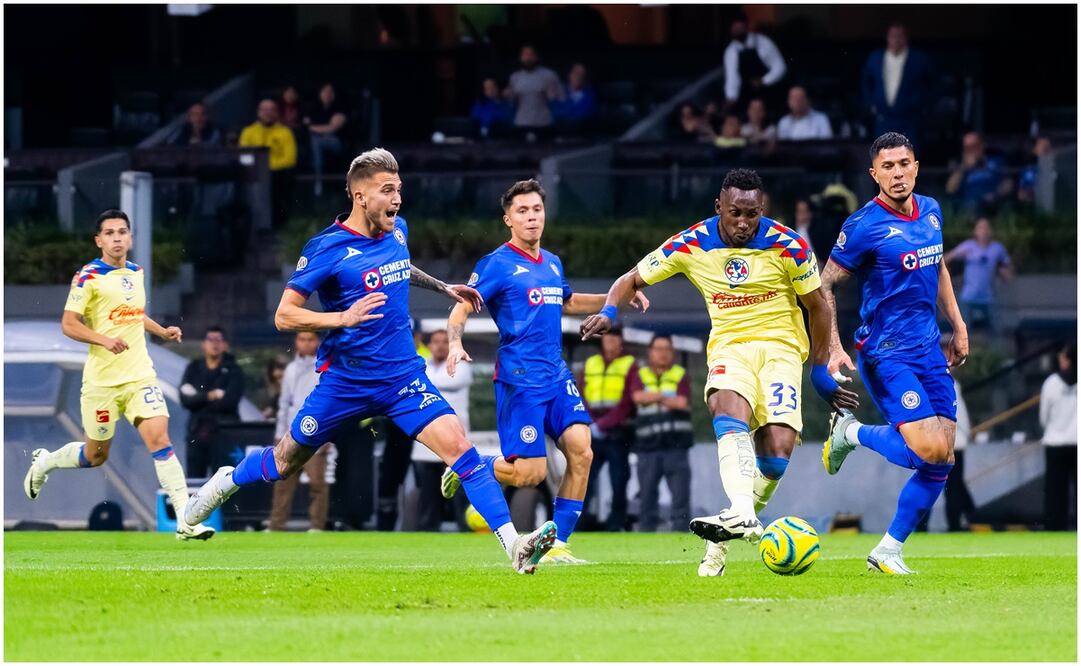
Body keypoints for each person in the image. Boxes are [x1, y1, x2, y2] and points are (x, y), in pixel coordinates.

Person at [184, 148, 557, 573]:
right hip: (346, 381)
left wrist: (442, 287)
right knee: (285, 461)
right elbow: (284, 314)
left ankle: (514, 546)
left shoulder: (397, 232)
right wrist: (342, 316)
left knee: (461, 449)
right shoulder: (327, 247)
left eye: (399, 189)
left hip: (401, 378)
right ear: (361, 197)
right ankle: (224, 482)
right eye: (387, 190)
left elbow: (403, 267)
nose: (397, 199)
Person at [579, 168, 856, 577]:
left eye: (752, 214)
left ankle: (723, 533)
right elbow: (631, 278)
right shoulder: (691, 242)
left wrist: (818, 371)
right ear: (718, 208)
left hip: (781, 351)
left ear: (762, 210)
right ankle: (743, 511)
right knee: (728, 414)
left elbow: (817, 306)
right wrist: (607, 311)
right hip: (730, 347)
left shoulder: (789, 245)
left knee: (776, 459)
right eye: (734, 213)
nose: (743, 223)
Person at [441, 178, 649, 563]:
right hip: (520, 381)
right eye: (523, 211)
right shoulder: (496, 264)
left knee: (582, 452)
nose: (532, 217)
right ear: (508, 219)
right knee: (529, 476)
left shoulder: (552, 262)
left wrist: (615, 298)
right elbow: (462, 307)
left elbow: (566, 303)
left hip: (556, 376)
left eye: (536, 209)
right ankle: (472, 465)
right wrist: (455, 342)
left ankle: (556, 547)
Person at [819, 131, 969, 575]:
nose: (897, 173)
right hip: (886, 354)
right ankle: (852, 434)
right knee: (928, 451)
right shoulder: (863, 226)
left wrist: (957, 325)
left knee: (942, 458)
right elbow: (826, 283)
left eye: (904, 163)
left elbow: (938, 265)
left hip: (928, 349)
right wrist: (833, 346)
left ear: (916, 166)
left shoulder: (932, 211)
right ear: (874, 174)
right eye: (887, 166)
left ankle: (887, 550)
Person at [22, 209, 214, 540]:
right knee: (95, 455)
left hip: (140, 375)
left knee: (161, 440)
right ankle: (46, 463)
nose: (116, 238)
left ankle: (185, 519)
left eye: (122, 232)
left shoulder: (136, 273)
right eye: (109, 233)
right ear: (99, 240)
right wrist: (104, 340)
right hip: (102, 383)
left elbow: (133, 314)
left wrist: (161, 331)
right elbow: (69, 324)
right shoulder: (87, 277)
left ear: (130, 238)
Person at [267, 331, 332, 531]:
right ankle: (277, 525)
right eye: (301, 339)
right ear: (296, 342)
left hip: (317, 432)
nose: (305, 343)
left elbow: (330, 403)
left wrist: (328, 434)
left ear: (317, 342)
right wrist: (279, 433)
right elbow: (284, 403)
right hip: (291, 433)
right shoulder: (291, 369)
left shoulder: (325, 367)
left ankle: (317, 526)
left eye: (310, 339)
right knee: (282, 482)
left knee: (317, 484)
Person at [629, 334, 693, 532]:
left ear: (672, 352)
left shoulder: (680, 374)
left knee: (680, 496)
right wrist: (665, 397)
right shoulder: (640, 374)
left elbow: (682, 403)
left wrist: (652, 397)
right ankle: (647, 535)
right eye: (658, 349)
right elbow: (637, 397)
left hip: (676, 446)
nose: (662, 353)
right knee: (647, 496)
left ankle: (681, 533)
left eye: (667, 349)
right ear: (650, 352)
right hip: (647, 446)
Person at [413, 329, 474, 531]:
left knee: (459, 493)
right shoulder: (422, 365)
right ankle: (427, 531)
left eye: (444, 341)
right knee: (428, 495)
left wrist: (422, 386)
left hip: (455, 440)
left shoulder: (461, 364)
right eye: (436, 341)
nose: (440, 345)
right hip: (426, 444)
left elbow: (453, 381)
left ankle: (464, 529)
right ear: (429, 346)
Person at [580, 328, 638, 532]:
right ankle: (581, 521)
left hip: (618, 433)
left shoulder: (630, 364)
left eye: (615, 338)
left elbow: (628, 402)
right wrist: (590, 423)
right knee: (584, 478)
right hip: (593, 430)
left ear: (621, 341)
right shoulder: (590, 364)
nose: (611, 342)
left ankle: (616, 523)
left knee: (618, 480)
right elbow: (581, 395)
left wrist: (603, 425)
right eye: (608, 338)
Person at [180, 326, 244, 479]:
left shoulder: (233, 370)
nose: (214, 344)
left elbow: (230, 401)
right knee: (195, 480)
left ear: (225, 345)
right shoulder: (193, 368)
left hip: (223, 432)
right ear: (203, 344)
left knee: (224, 480)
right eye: (210, 339)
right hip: (197, 432)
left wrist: (199, 398)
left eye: (218, 340)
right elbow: (185, 400)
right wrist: (210, 396)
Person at [861, 23, 934, 145]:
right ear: (887, 38)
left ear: (906, 38)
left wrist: (920, 107)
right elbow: (866, 83)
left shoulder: (918, 59)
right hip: (883, 119)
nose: (896, 39)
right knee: (883, 156)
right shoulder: (876, 58)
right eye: (892, 36)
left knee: (908, 157)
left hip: (909, 119)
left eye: (899, 36)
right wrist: (872, 105)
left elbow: (931, 85)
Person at [944, 217, 1013, 336]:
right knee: (964, 333)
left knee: (997, 332)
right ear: (975, 231)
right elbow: (946, 259)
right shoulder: (968, 247)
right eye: (980, 228)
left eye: (986, 228)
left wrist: (1004, 273)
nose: (983, 231)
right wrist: (946, 276)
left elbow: (1008, 269)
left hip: (989, 298)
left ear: (991, 231)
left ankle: (995, 353)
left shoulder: (997, 249)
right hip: (968, 298)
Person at [239, 99, 297, 228]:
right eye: (264, 110)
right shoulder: (248, 132)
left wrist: (267, 168)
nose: (268, 113)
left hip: (276, 174)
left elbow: (289, 159)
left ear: (277, 113)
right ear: (258, 112)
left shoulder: (285, 132)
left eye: (271, 110)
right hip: (253, 174)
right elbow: (243, 155)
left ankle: (277, 226)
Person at [1040, 343, 1076, 531]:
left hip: (1056, 443)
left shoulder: (1052, 383)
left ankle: (1055, 526)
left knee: (1055, 491)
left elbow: (1044, 415)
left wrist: (1051, 429)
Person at [722, 15, 787, 110]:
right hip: (749, 97)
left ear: (746, 27)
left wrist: (763, 81)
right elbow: (732, 77)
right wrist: (731, 97)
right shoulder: (731, 51)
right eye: (734, 28)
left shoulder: (764, 42)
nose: (737, 30)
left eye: (739, 27)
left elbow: (780, 67)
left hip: (771, 93)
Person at [945, 132, 1012, 213]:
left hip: (993, 204)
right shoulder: (959, 166)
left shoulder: (996, 162)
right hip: (968, 207)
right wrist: (964, 167)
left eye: (974, 146)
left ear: (982, 145)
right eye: (967, 148)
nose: (971, 151)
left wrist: (996, 194)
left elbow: (1008, 183)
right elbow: (950, 189)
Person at [505, 45, 564, 136]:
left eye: (531, 55)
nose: (528, 58)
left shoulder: (549, 75)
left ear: (536, 57)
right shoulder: (515, 77)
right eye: (525, 55)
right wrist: (508, 96)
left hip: (543, 124)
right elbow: (511, 102)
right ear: (521, 58)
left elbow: (561, 98)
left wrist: (552, 97)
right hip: (521, 124)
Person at [304, 83, 348, 197]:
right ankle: (318, 180)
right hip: (316, 143)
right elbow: (305, 125)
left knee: (316, 140)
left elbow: (332, 127)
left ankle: (318, 180)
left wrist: (313, 128)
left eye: (330, 92)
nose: (327, 95)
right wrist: (319, 129)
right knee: (315, 141)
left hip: (337, 143)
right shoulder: (313, 108)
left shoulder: (340, 108)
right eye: (325, 92)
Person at [552, 63, 597, 130]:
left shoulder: (590, 95)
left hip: (582, 131)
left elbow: (586, 113)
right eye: (576, 73)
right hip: (559, 130)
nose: (579, 77)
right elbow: (554, 112)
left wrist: (567, 112)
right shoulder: (558, 91)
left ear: (585, 78)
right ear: (569, 75)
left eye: (582, 74)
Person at [1017, 136, 1053, 204]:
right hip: (1033, 205)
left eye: (1048, 148)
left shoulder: (1056, 170)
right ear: (1035, 150)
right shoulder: (1028, 170)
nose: (1046, 151)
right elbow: (1021, 195)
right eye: (1043, 148)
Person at [255, 356, 288, 421]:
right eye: (275, 379)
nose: (279, 381)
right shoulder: (276, 398)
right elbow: (265, 414)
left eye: (281, 376)